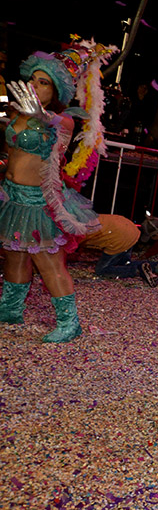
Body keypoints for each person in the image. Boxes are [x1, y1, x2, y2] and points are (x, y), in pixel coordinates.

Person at [0, 40, 115, 342]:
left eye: (43, 82)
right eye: (33, 80)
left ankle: (69, 323)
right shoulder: (15, 112)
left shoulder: (61, 120)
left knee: (48, 263)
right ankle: (11, 309)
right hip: (12, 198)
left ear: (55, 92)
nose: (35, 86)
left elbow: (59, 130)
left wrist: (38, 113)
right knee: (13, 256)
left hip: (39, 204)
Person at [78, 214, 158, 280]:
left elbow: (73, 245)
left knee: (101, 270)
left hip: (121, 238)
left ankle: (137, 270)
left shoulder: (76, 230)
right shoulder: (83, 220)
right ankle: (157, 266)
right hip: (131, 229)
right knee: (123, 264)